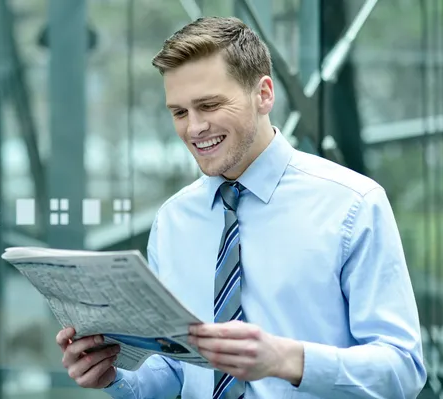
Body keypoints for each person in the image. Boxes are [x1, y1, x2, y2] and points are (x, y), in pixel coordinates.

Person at [55, 16, 427, 398]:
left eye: (209, 105)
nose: (194, 128)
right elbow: (174, 371)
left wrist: (288, 359)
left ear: (264, 94)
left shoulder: (353, 204)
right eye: (179, 112)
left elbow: (403, 369)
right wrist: (115, 378)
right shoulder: (173, 221)